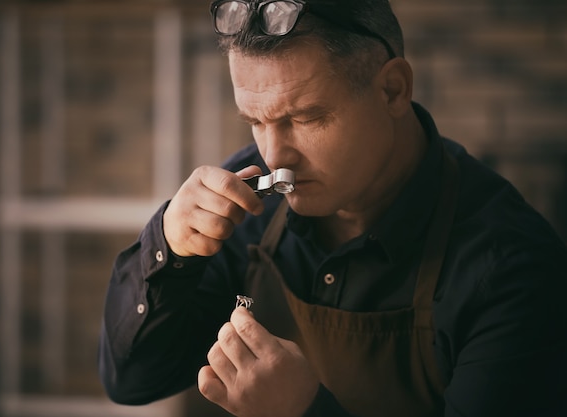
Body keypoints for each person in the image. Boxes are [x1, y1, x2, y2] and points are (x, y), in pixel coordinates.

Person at [98, 0, 567, 416]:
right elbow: (134, 382)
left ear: (393, 91)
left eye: (306, 118)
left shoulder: (512, 269)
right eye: (256, 121)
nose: (275, 158)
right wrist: (168, 247)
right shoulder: (249, 196)